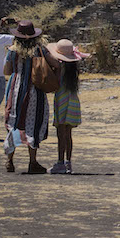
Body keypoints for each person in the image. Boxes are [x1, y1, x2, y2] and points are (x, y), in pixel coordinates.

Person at [1, 20, 57, 174]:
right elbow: (56, 64)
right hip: (35, 89)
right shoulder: (40, 50)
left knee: (14, 122)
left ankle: (10, 161)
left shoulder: (12, 50)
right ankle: (32, 162)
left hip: (15, 89)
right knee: (33, 123)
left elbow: (7, 70)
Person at [47, 39, 88, 174]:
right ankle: (68, 162)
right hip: (73, 100)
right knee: (68, 134)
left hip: (61, 99)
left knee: (60, 133)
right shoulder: (74, 69)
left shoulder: (60, 68)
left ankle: (60, 162)